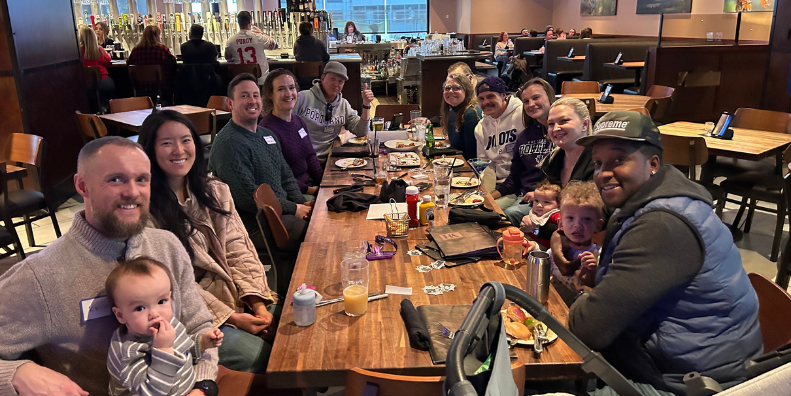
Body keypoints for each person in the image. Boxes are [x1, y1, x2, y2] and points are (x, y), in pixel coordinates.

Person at [0, 136, 217, 396]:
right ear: (82, 186)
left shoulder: (167, 245)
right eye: (116, 179)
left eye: (141, 179)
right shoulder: (39, 276)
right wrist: (17, 373)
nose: (133, 192)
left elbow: (198, 325)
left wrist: (203, 387)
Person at [569, 111, 762, 394]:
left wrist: (584, 295)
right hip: (667, 362)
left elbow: (590, 328)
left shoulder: (662, 225)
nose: (601, 173)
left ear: (654, 164)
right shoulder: (654, 199)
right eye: (597, 163)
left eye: (618, 160)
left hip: (687, 383)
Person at [138, 109, 280, 374]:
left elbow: (239, 250)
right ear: (149, 150)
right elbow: (174, 286)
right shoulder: (145, 212)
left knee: (294, 319)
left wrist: (257, 304)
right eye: (166, 143)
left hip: (236, 294)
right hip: (190, 316)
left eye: (186, 140)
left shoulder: (214, 190)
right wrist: (233, 318)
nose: (178, 150)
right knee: (259, 355)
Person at [209, 73, 312, 246]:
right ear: (230, 103)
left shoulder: (267, 135)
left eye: (255, 95)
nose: (252, 101)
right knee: (315, 233)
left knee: (322, 216)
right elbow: (248, 199)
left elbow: (286, 177)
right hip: (254, 225)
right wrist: (294, 209)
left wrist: (302, 204)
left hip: (280, 212)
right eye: (244, 96)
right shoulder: (230, 143)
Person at [105, 257, 224, 396]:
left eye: (161, 301)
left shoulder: (169, 324)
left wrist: (201, 343)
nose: (155, 314)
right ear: (120, 315)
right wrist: (163, 350)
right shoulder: (129, 351)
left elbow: (181, 349)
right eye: (140, 308)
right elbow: (150, 392)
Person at [491, 78, 556, 226]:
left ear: (549, 96)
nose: (531, 104)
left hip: (547, 200)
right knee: (487, 210)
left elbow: (565, 178)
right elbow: (514, 177)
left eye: (536, 97)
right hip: (522, 195)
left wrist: (540, 195)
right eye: (526, 101)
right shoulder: (525, 136)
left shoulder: (560, 134)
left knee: (508, 215)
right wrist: (489, 196)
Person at [260, 69, 323, 199]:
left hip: (310, 185)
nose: (289, 94)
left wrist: (324, 181)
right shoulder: (266, 131)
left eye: (292, 88)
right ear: (270, 94)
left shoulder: (298, 121)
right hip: (292, 194)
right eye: (281, 89)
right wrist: (310, 190)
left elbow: (310, 156)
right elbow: (277, 177)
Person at [294, 61, 374, 160]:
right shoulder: (303, 98)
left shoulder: (343, 105)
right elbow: (284, 125)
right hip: (303, 159)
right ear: (322, 78)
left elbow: (361, 131)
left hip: (331, 159)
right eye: (332, 79)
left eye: (340, 81)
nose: (336, 84)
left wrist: (366, 105)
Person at [546, 181, 603, 296]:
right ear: (560, 223)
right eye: (570, 218)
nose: (577, 225)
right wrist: (532, 247)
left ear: (598, 226)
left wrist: (592, 271)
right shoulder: (558, 247)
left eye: (586, 219)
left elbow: (598, 289)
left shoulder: (599, 255)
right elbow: (543, 262)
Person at [474, 76, 522, 187]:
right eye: (481, 98)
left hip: (519, 184)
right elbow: (484, 165)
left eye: (491, 96)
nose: (486, 102)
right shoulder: (480, 128)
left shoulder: (522, 114)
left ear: (503, 95)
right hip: (497, 185)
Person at [541, 97, 595, 186]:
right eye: (551, 124)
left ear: (585, 124)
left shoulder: (598, 163)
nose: (555, 128)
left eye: (564, 121)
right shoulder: (549, 163)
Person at [224, 11, 278, 84]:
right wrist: (262, 33)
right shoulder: (258, 37)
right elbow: (275, 45)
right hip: (261, 81)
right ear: (250, 22)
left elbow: (228, 58)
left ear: (238, 23)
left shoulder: (231, 40)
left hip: (241, 82)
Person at [127, 25, 177, 100]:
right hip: (160, 87)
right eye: (159, 34)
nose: (161, 37)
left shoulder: (135, 50)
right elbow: (173, 63)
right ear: (155, 36)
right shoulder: (162, 49)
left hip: (140, 88)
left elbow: (128, 64)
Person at [441, 73, 482, 161]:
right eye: (447, 88)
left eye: (457, 88)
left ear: (466, 91)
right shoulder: (452, 111)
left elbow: (472, 155)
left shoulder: (471, 114)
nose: (451, 91)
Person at [79, 26, 115, 111]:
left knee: (95, 92)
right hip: (103, 81)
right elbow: (108, 62)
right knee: (112, 86)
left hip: (86, 83)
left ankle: (100, 108)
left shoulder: (78, 51)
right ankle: (110, 108)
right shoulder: (99, 50)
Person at [519, 180, 561, 249]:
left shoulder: (555, 214)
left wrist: (535, 229)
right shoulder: (538, 211)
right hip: (528, 239)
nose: (539, 205)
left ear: (558, 205)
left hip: (543, 246)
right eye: (536, 200)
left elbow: (562, 229)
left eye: (546, 202)